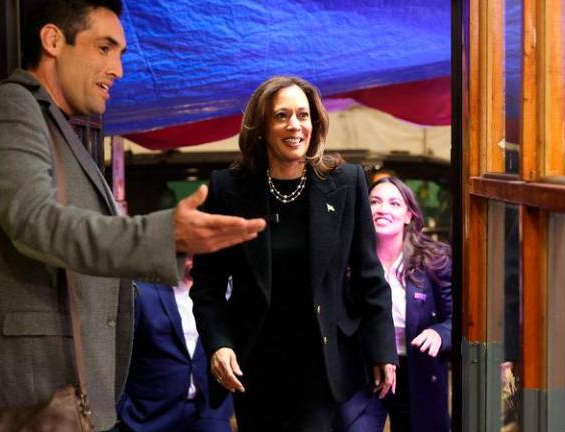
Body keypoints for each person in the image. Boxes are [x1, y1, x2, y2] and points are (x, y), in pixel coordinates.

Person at [0, 1, 264, 431]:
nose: (117, 68)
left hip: (69, 391)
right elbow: (36, 222)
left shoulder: (58, 124)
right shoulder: (10, 108)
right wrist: (163, 236)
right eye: (104, 48)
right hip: (25, 390)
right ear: (53, 40)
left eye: (120, 54)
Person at [190, 76, 398, 431]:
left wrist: (382, 349)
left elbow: (368, 276)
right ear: (262, 127)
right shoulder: (227, 189)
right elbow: (207, 287)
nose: (294, 125)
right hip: (253, 361)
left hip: (321, 358)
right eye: (281, 116)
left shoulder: (347, 183)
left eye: (303, 115)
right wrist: (219, 344)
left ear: (315, 124)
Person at [336, 176, 453, 432]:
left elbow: (459, 321)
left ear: (409, 215)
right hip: (365, 372)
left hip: (418, 372)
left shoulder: (434, 260)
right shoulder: (346, 262)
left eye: (393, 203)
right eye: (374, 202)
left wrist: (439, 332)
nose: (382, 209)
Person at [117, 255, 233, 432]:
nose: (191, 262)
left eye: (198, 255)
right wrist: (124, 408)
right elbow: (117, 355)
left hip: (209, 414)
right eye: (185, 255)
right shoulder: (140, 290)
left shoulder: (223, 292)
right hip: (149, 417)